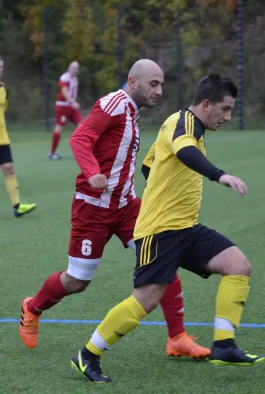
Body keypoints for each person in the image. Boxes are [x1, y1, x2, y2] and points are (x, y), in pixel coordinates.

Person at [70, 72, 265, 383]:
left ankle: (225, 345)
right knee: (145, 300)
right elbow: (185, 152)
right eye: (225, 109)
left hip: (186, 228)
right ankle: (89, 353)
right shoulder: (183, 123)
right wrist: (220, 176)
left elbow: (149, 164)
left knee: (238, 265)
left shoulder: (188, 127)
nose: (228, 116)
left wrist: (165, 186)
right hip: (160, 231)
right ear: (206, 104)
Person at [19, 59, 209, 361]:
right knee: (77, 281)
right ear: (133, 82)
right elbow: (80, 137)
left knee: (163, 257)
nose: (159, 90)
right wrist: (93, 172)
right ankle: (32, 307)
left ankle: (177, 337)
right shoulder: (114, 104)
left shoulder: (133, 113)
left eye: (161, 84)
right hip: (92, 209)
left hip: (126, 207)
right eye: (153, 83)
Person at [0, 56, 36, 217]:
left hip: (2, 138)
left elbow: (4, 112)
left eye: (1, 67)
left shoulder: (3, 89)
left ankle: (17, 206)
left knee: (9, 169)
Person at [49, 61, 82, 160]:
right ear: (69, 67)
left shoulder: (75, 78)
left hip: (71, 107)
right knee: (59, 128)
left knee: (82, 125)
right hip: (63, 106)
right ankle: (52, 152)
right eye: (73, 67)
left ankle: (81, 150)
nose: (74, 69)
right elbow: (64, 92)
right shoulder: (65, 77)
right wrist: (73, 103)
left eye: (76, 68)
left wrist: (72, 103)